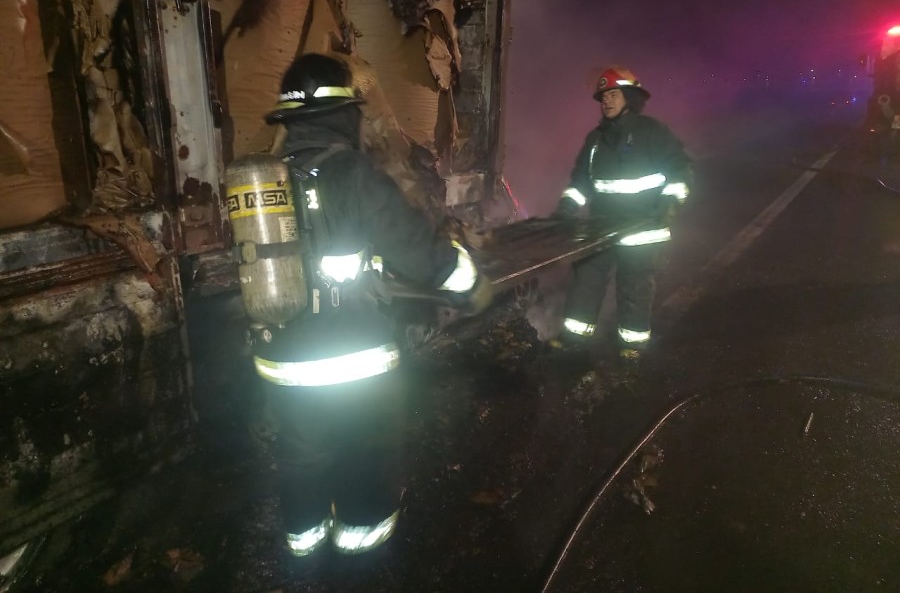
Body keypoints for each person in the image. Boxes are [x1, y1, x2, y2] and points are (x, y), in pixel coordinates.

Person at [251, 53, 492, 559]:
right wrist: (468, 278)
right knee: (365, 445)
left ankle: (303, 544)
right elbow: (417, 253)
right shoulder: (355, 174)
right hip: (351, 354)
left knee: (302, 454)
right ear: (344, 114)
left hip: (283, 357)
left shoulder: (263, 183)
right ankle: (362, 551)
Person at [552, 65, 692, 367]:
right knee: (585, 281)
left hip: (644, 228)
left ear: (629, 97)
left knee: (634, 288)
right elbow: (581, 182)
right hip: (600, 227)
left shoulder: (652, 132)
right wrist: (567, 206)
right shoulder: (595, 139)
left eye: (614, 94)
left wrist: (669, 204)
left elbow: (680, 171)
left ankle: (631, 345)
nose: (607, 101)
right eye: (603, 96)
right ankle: (574, 339)